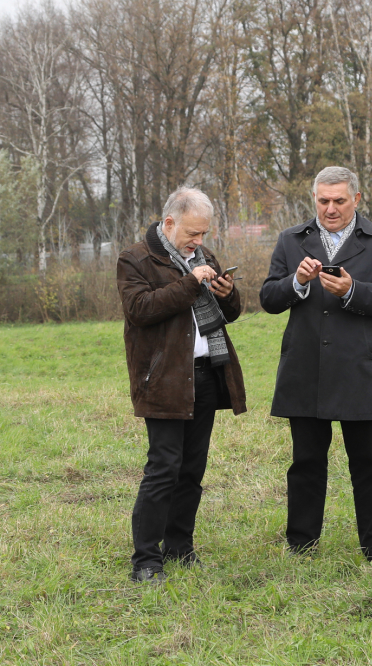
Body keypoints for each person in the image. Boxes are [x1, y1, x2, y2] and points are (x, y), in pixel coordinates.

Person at [260, 166, 372, 565]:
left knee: (367, 463)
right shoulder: (291, 241)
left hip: (357, 370)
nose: (330, 209)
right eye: (323, 201)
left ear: (356, 199)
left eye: (339, 201)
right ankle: (302, 543)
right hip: (304, 371)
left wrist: (352, 291)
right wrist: (297, 282)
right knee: (306, 462)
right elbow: (269, 298)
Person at [117, 187, 247, 583]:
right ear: (169, 223)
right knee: (164, 468)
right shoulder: (135, 258)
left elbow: (231, 313)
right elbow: (140, 310)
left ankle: (180, 547)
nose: (200, 242)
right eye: (193, 233)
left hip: (207, 373)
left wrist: (228, 294)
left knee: (192, 469)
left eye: (205, 234)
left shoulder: (204, 257)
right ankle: (146, 560)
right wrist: (191, 282)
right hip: (163, 379)